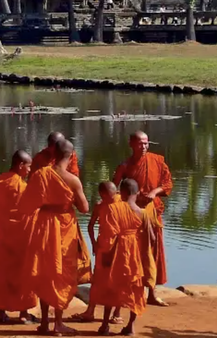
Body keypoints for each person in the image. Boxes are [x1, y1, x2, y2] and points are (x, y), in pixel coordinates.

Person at [20, 140, 90, 336]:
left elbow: (26, 206)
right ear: (71, 155)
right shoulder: (73, 179)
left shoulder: (40, 174)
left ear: (53, 153)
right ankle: (57, 323)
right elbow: (85, 208)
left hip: (44, 225)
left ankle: (44, 323)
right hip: (65, 225)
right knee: (62, 274)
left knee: (45, 272)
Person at [113, 131, 172, 306]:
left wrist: (154, 192)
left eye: (146, 143)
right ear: (131, 144)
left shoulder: (157, 161)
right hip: (132, 214)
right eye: (140, 143)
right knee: (132, 253)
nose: (144, 147)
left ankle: (152, 293)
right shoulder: (125, 166)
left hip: (152, 212)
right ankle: (129, 293)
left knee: (153, 251)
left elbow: (168, 183)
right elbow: (113, 188)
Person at [91, 179, 157, 336]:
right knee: (135, 289)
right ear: (137, 192)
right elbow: (152, 239)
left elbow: (109, 236)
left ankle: (105, 326)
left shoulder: (113, 209)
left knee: (111, 287)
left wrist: (105, 255)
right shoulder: (143, 213)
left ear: (123, 192)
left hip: (117, 254)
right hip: (135, 256)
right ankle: (130, 327)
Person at [0, 150, 38, 324]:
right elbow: (32, 210)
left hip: (3, 236)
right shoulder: (24, 188)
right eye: (29, 166)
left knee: (2, 272)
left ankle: (1, 311)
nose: (30, 170)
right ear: (21, 165)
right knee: (23, 272)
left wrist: (5, 218)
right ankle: (23, 313)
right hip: (22, 237)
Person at [74, 181, 122, 324]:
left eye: (114, 195)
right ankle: (90, 311)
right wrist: (94, 243)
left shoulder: (123, 203)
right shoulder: (100, 206)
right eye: (109, 196)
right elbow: (90, 226)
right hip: (103, 247)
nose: (113, 198)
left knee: (118, 280)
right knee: (97, 281)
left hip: (119, 248)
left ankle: (117, 313)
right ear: (103, 195)